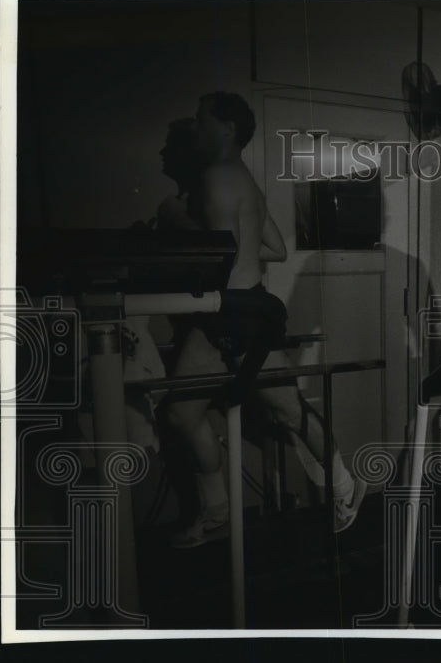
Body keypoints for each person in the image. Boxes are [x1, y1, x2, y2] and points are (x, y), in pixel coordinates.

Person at [161, 94, 365, 548]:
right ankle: (222, 512)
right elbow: (273, 248)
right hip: (240, 309)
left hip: (231, 312)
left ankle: (344, 488)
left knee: (280, 413)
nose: (196, 130)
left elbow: (221, 255)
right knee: (183, 414)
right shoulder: (244, 180)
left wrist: (174, 222)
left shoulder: (215, 178)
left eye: (201, 120)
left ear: (227, 128)